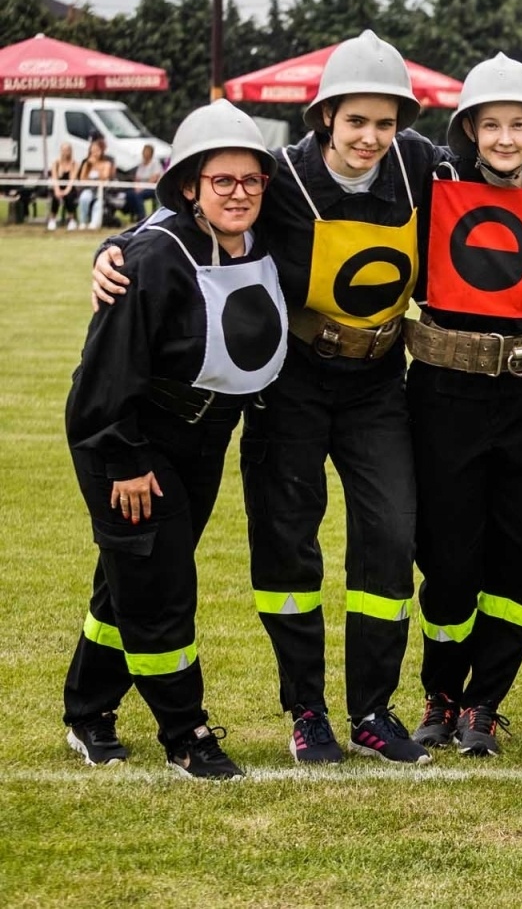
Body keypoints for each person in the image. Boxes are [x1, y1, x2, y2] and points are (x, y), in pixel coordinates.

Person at [93, 31, 438, 765]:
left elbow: (514, 171)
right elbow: (193, 208)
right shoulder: (278, 175)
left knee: (391, 538)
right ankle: (306, 710)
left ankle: (373, 709)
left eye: (385, 122)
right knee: (287, 544)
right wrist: (113, 246)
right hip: (294, 385)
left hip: (379, 384)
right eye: (356, 121)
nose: (371, 137)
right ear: (326, 118)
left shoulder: (418, 166)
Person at [63, 100, 288, 780]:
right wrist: (125, 460)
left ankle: (87, 710)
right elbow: (106, 378)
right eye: (222, 181)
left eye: (251, 180)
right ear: (190, 184)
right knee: (163, 590)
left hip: (205, 439)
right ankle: (185, 732)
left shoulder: (263, 238)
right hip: (132, 442)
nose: (239, 193)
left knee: (129, 583)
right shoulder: (149, 258)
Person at [405, 53, 522, 757]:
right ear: (468, 130)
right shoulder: (432, 183)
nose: (504, 139)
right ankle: (440, 693)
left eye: (518, 125)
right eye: (490, 125)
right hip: (444, 394)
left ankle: (484, 703)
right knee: (448, 559)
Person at [75, 136, 114, 230]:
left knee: (98, 203)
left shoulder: (107, 164)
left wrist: (96, 167)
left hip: (102, 191)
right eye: (92, 150)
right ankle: (83, 222)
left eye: (97, 150)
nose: (94, 153)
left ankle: (94, 224)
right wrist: (89, 165)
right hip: (89, 189)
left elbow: (105, 177)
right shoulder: (86, 164)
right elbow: (82, 179)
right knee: (85, 198)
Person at [127, 144, 162, 224]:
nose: (144, 153)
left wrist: (141, 188)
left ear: (151, 153)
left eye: (146, 151)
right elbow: (137, 178)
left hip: (153, 188)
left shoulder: (155, 163)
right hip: (141, 187)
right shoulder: (141, 164)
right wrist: (136, 186)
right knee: (129, 194)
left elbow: (154, 178)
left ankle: (142, 217)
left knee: (138, 195)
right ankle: (134, 215)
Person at [48, 142, 77, 231]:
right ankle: (52, 219)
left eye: (67, 150)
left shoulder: (74, 163)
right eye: (63, 150)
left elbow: (72, 179)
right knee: (55, 197)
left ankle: (72, 219)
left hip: (70, 188)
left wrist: (66, 191)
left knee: (69, 197)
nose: (65, 152)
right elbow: (54, 178)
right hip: (58, 187)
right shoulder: (56, 163)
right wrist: (57, 190)